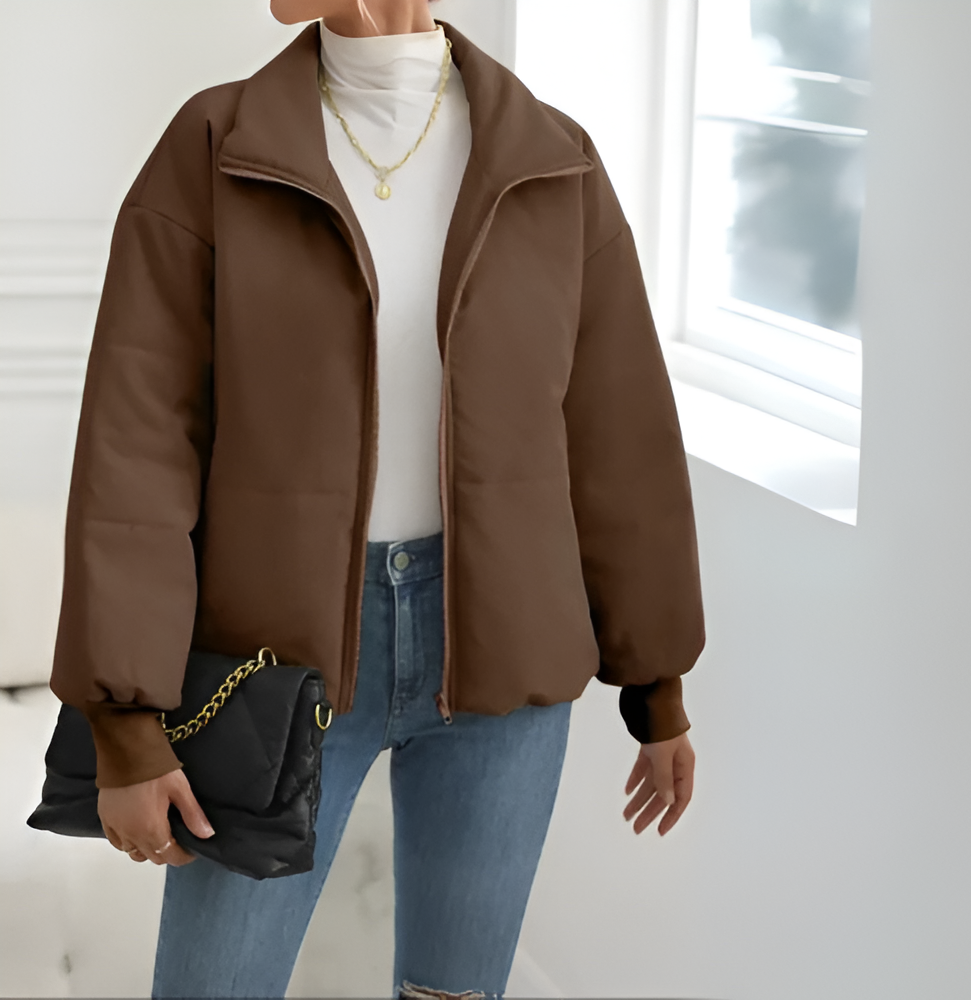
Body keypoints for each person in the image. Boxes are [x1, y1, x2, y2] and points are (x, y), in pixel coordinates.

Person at [47, 0, 705, 996]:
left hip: (504, 660)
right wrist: (125, 721)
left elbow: (621, 438)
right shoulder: (215, 147)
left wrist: (657, 688)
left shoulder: (552, 161)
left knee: (455, 993)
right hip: (274, 664)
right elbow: (136, 446)